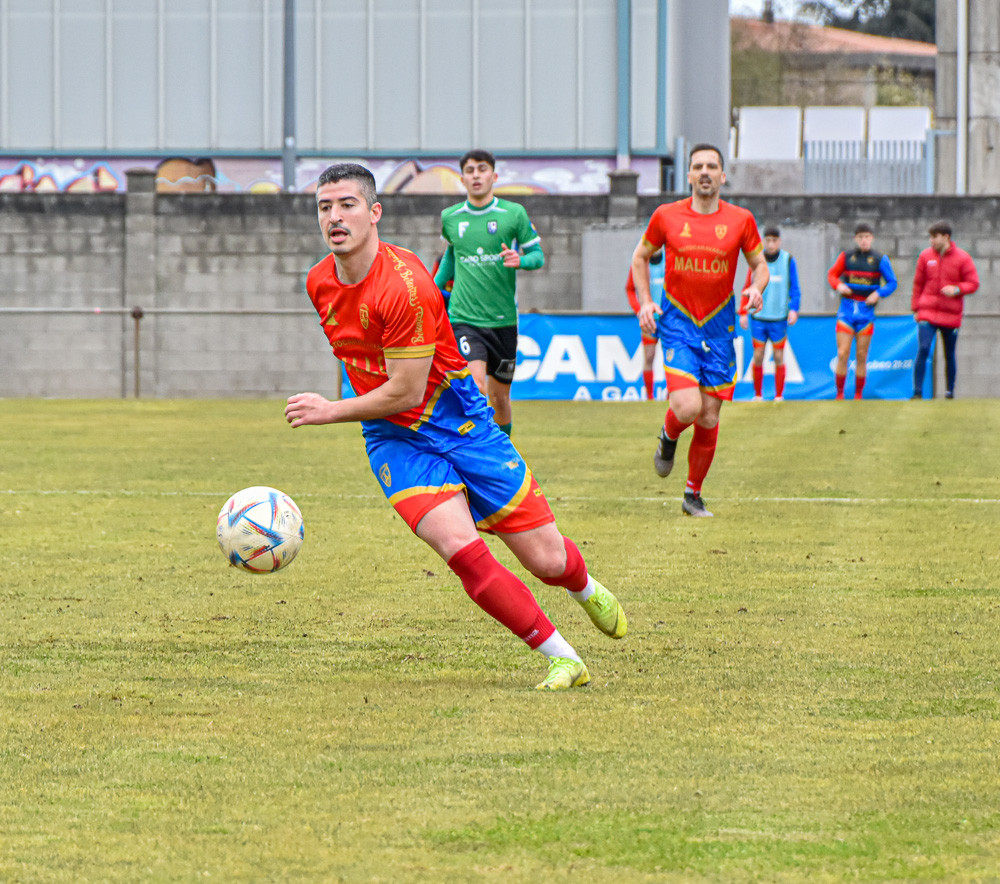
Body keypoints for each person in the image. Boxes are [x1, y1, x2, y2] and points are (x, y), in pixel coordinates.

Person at [285, 163, 626, 692]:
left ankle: (583, 587)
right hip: (394, 438)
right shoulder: (318, 283)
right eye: (325, 206)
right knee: (461, 550)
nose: (335, 216)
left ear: (375, 213)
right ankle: (563, 657)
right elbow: (373, 375)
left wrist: (330, 409)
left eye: (347, 204)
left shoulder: (406, 285)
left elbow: (407, 390)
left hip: (461, 424)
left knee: (548, 559)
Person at [631, 143, 768, 518]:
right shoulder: (666, 216)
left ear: (723, 176)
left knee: (709, 416)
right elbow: (640, 257)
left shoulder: (741, 220)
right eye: (698, 166)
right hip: (677, 323)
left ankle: (692, 495)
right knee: (687, 406)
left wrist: (757, 286)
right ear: (688, 176)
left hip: (720, 328)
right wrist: (645, 301)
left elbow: (760, 266)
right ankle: (669, 434)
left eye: (712, 166)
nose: (704, 172)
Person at [433, 150, 544, 437]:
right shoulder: (450, 218)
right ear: (462, 179)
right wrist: (432, 291)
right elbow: (451, 257)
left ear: (493, 176)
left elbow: (538, 256)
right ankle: (476, 453)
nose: (475, 175)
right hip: (464, 318)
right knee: (476, 387)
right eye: (469, 170)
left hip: (503, 320)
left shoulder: (513, 214)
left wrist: (521, 260)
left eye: (481, 169)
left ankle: (503, 455)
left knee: (500, 399)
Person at [827, 222, 897, 400]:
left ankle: (858, 395)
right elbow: (832, 275)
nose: (864, 241)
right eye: (860, 237)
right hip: (847, 310)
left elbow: (892, 283)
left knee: (861, 355)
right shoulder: (846, 257)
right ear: (855, 239)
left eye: (867, 237)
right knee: (842, 353)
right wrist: (839, 285)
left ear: (871, 238)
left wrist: (878, 293)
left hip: (866, 313)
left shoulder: (880, 259)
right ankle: (840, 394)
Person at [911, 220, 979, 399]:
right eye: (930, 237)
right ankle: (917, 392)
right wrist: (916, 308)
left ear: (946, 237)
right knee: (924, 348)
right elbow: (918, 283)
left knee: (949, 353)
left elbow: (973, 283)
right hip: (927, 311)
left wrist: (957, 289)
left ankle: (949, 392)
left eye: (935, 237)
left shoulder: (963, 258)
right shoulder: (925, 256)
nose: (931, 241)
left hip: (951, 314)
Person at [739, 226, 801, 402]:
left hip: (779, 318)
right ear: (764, 241)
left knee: (779, 356)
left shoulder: (788, 260)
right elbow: (747, 287)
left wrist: (794, 309)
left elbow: (795, 288)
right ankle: (758, 395)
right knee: (758, 356)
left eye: (774, 240)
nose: (771, 244)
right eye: (768, 240)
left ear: (779, 242)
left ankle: (779, 395)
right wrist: (743, 311)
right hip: (759, 317)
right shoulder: (757, 261)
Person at [625, 249, 665, 399]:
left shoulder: (670, 260)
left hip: (669, 320)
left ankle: (671, 396)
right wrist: (640, 310)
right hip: (649, 320)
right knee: (649, 356)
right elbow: (629, 289)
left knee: (672, 358)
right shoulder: (639, 263)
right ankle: (649, 397)